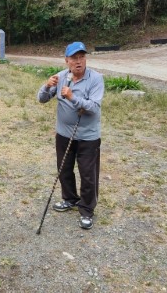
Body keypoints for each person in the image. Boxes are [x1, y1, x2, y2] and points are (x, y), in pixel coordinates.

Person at [37, 41, 104, 230]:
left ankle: (87, 210)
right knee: (64, 169)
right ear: (66, 60)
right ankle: (70, 198)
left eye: (82, 57)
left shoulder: (96, 79)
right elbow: (41, 100)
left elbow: (93, 108)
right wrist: (46, 86)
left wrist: (72, 97)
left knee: (88, 175)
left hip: (88, 137)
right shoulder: (60, 77)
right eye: (74, 58)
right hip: (64, 134)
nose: (79, 61)